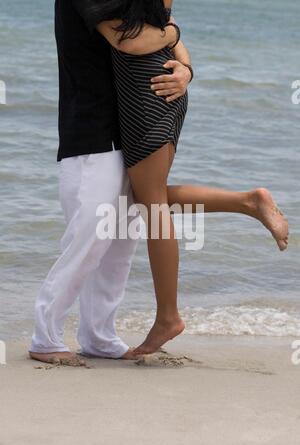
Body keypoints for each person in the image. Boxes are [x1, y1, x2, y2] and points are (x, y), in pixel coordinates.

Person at [93, 0, 289, 355]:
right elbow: (166, 26)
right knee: (148, 200)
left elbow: (131, 42)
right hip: (158, 88)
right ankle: (248, 202)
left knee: (152, 206)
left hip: (148, 92)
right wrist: (185, 64)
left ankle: (168, 317)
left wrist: (185, 66)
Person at [29, 0, 192, 364]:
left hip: (128, 132)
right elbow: (129, 41)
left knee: (119, 246)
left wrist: (186, 71)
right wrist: (173, 33)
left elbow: (163, 31)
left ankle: (99, 337)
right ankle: (45, 335)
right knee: (89, 239)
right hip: (91, 134)